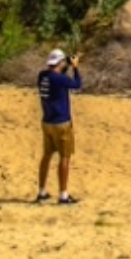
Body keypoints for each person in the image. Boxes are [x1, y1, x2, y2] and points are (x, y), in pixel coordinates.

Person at [36, 48, 82, 205]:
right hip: (62, 123)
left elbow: (57, 77)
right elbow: (77, 84)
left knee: (46, 156)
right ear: (60, 63)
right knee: (65, 157)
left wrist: (66, 65)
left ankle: (42, 191)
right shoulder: (59, 79)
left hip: (47, 122)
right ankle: (63, 195)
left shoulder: (43, 76)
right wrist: (75, 67)